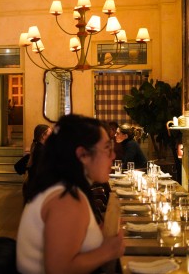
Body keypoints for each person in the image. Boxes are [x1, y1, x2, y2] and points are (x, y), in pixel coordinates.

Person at [16, 114, 125, 274]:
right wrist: (109, 250)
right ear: (83, 155)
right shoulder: (66, 199)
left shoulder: (63, 187)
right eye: (107, 148)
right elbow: (59, 269)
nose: (113, 155)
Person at [15, 124, 52, 200]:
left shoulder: (37, 148)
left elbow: (18, 168)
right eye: (50, 134)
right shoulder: (41, 151)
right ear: (43, 136)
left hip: (31, 188)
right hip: (36, 190)